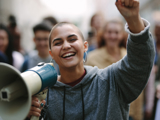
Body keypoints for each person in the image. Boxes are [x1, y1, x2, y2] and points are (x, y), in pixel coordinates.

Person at [26, 0, 155, 120]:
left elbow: (140, 61)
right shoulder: (42, 94)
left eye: (72, 39)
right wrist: (24, 113)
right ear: (51, 54)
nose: (66, 46)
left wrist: (134, 20)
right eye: (58, 43)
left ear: (85, 46)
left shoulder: (112, 81)